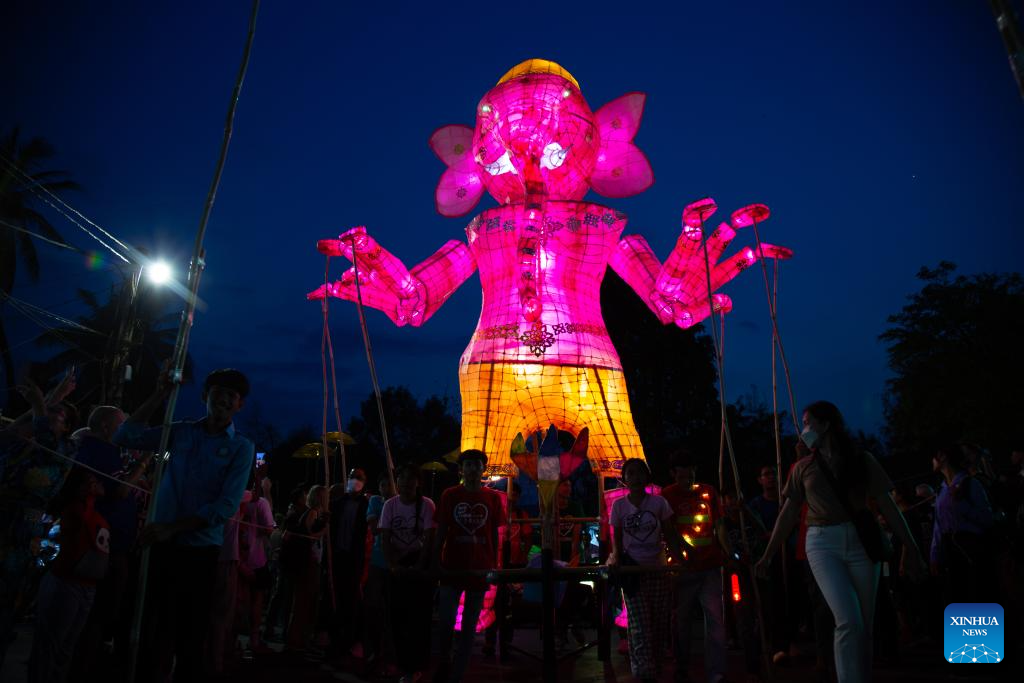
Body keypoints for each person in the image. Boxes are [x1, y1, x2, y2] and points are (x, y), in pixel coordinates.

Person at [755, 401, 925, 683]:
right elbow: (788, 513)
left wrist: (912, 547)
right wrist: (768, 554)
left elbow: (888, 506)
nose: (804, 429)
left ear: (826, 425)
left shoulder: (863, 460)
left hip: (861, 540)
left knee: (865, 624)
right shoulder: (803, 467)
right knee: (848, 619)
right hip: (821, 542)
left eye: (808, 422)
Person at [114, 368, 254, 681]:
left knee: (190, 636)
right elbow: (125, 435)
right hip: (158, 545)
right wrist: (160, 393)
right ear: (205, 396)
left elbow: (225, 506)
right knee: (145, 626)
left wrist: (173, 528)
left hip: (199, 552)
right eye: (219, 391)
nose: (224, 399)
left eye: (232, 395)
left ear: (239, 405)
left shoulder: (242, 448)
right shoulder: (180, 431)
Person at [28, 468, 109, 683]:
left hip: (85, 584)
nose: (97, 483)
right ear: (81, 488)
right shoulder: (76, 510)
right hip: (67, 583)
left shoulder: (90, 508)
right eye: (91, 482)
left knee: (65, 646)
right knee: (53, 644)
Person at [608, 457, 685, 683]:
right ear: (625, 479)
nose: (636, 477)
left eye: (640, 473)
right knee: (640, 623)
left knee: (659, 623)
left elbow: (669, 534)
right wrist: (618, 562)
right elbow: (617, 539)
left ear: (647, 477)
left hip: (658, 569)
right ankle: (643, 671)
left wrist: (679, 559)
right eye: (630, 473)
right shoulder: (619, 506)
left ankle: (657, 666)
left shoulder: (658, 503)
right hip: (633, 572)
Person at [432, 449, 504, 683]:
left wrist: (493, 563)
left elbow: (494, 532)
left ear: (484, 469)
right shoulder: (450, 495)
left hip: (480, 569)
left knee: (470, 626)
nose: (473, 468)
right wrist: (436, 560)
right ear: (461, 469)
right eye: (469, 465)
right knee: (445, 622)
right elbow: (442, 528)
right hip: (452, 567)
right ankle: (444, 660)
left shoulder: (493, 498)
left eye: (477, 464)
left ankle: (457, 674)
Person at [660, 449, 727, 683]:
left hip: (710, 565)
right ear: (673, 474)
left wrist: (729, 554)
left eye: (690, 474)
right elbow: (668, 533)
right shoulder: (666, 496)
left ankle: (716, 672)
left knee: (716, 620)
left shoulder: (709, 492)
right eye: (681, 475)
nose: (687, 479)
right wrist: (680, 559)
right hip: (682, 569)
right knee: (681, 620)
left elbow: (719, 525)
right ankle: (682, 667)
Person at [382, 462, 437, 683]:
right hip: (397, 563)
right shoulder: (390, 505)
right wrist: (392, 565)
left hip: (419, 566)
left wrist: (418, 567)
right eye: (401, 478)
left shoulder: (427, 505)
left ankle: (416, 665)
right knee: (396, 617)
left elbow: (429, 540)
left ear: (418, 483)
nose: (405, 483)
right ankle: (401, 662)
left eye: (409, 478)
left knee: (419, 618)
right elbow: (385, 537)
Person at [929, 442, 995, 604]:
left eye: (933, 457)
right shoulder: (941, 490)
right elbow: (938, 525)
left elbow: (987, 519)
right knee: (959, 599)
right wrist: (934, 555)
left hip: (972, 551)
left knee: (978, 596)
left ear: (942, 456)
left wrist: (962, 505)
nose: (932, 462)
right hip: (951, 553)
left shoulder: (970, 484)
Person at [747, 464, 799, 665]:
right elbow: (755, 529)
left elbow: (793, 521)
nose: (770, 477)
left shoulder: (787, 502)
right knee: (772, 602)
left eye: (773, 474)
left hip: (791, 556)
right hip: (769, 559)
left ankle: (791, 640)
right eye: (766, 474)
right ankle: (776, 644)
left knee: (794, 599)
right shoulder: (756, 505)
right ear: (760, 480)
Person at [284, 484, 330, 654]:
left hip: (315, 561)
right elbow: (308, 537)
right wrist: (323, 529)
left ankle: (302, 638)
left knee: (310, 602)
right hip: (308, 561)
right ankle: (295, 639)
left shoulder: (318, 513)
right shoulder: (312, 513)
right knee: (303, 601)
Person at [329, 468, 369, 656]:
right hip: (337, 556)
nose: (355, 481)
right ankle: (334, 636)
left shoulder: (367, 505)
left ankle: (352, 638)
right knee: (335, 596)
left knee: (353, 599)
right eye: (353, 477)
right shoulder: (337, 504)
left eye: (359, 478)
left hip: (355, 558)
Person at [363, 471, 397, 676]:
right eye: (384, 484)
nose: (387, 488)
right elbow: (375, 528)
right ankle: (371, 653)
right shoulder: (376, 501)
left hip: (396, 564)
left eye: (390, 485)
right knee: (372, 609)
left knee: (392, 612)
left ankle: (390, 656)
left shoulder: (401, 504)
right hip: (378, 562)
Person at [238, 477, 275, 657]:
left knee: (238, 600)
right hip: (255, 558)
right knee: (255, 600)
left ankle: (232, 639)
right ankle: (253, 639)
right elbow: (269, 528)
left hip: (236, 555)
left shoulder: (235, 497)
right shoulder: (260, 502)